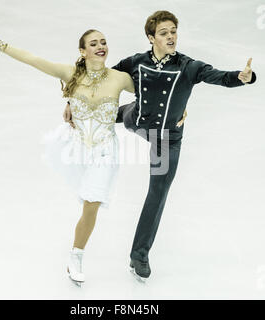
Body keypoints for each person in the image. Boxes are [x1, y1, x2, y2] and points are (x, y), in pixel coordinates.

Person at [64, 10, 257, 282]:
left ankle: (139, 255)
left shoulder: (188, 66)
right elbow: (99, 78)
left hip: (165, 138)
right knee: (115, 111)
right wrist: (73, 102)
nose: (171, 37)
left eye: (173, 32)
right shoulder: (136, 62)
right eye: (164, 33)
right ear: (151, 37)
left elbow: (219, 76)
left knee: (157, 192)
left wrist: (242, 76)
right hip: (137, 119)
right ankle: (104, 112)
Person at [0, 25, 134, 286]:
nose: (100, 46)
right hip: (77, 148)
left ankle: (76, 256)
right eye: (93, 43)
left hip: (105, 151)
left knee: (91, 203)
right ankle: (77, 253)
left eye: (103, 41)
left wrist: (177, 113)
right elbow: (33, 60)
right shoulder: (70, 73)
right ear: (82, 51)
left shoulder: (120, 78)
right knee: (86, 199)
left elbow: (154, 97)